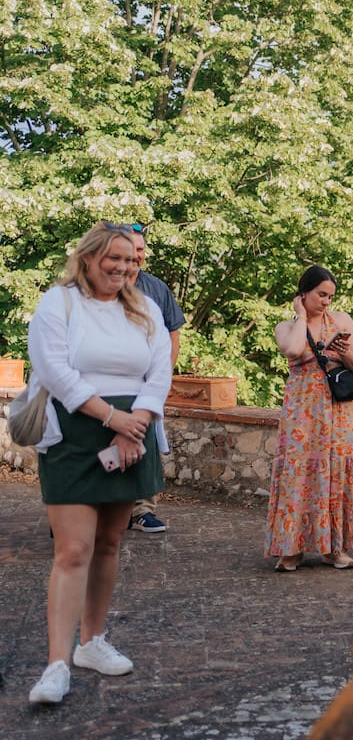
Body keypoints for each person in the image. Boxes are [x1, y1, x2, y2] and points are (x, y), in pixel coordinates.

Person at [27, 221, 173, 705]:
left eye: (132, 259)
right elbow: (54, 369)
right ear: (87, 257)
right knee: (73, 550)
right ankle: (56, 664)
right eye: (115, 258)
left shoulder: (146, 308)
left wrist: (137, 423)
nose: (125, 267)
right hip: (74, 431)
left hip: (133, 432)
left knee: (110, 542)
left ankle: (92, 643)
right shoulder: (59, 302)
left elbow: (159, 371)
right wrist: (112, 416)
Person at [265, 265, 353, 572]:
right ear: (304, 293)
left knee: (334, 471)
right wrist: (300, 315)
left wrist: (344, 351)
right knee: (298, 473)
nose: (326, 302)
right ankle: (291, 549)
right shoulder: (286, 326)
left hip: (336, 410)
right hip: (301, 409)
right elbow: (293, 349)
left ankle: (333, 548)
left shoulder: (342, 321)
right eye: (320, 295)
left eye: (330, 296)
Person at [126, 222, 186, 533]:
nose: (136, 255)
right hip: (113, 382)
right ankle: (110, 508)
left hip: (147, 381)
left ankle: (143, 510)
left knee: (145, 442)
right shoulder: (103, 285)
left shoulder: (156, 288)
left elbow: (172, 333)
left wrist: (166, 372)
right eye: (130, 249)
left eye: (140, 249)